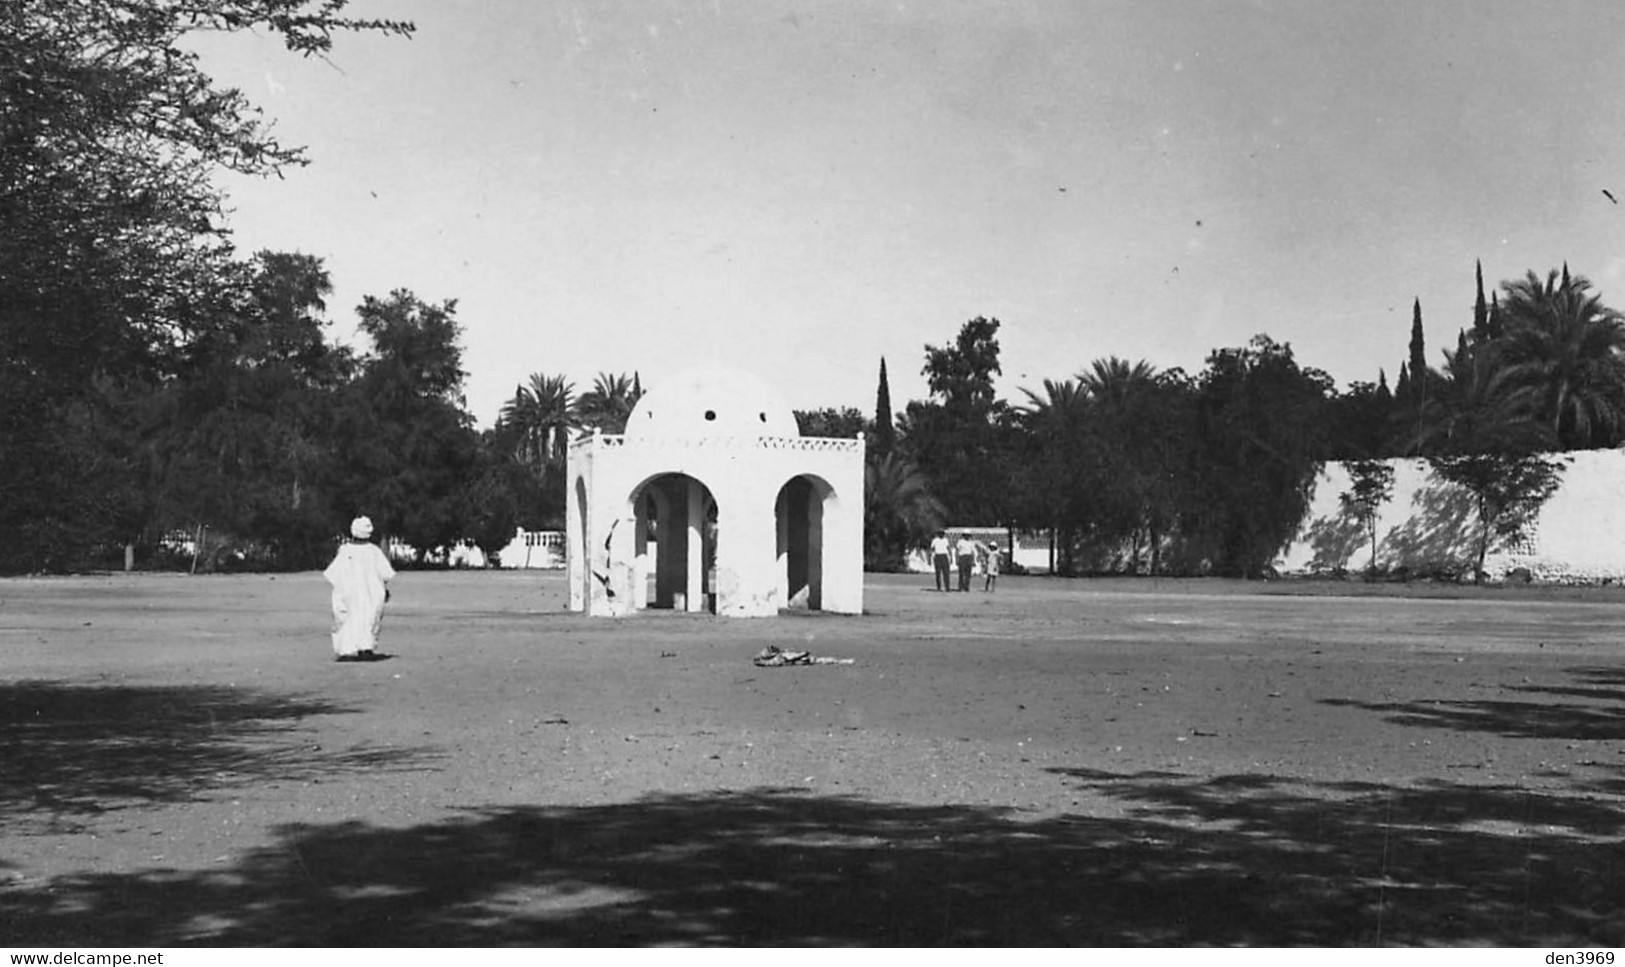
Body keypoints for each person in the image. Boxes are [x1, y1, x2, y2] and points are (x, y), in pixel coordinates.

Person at [324, 516, 396, 662]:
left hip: (348, 594)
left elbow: (334, 574)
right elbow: (385, 574)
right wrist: (384, 590)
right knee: (368, 619)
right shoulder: (374, 551)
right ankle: (366, 649)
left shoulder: (345, 550)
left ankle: (346, 650)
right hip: (371, 594)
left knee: (348, 619)